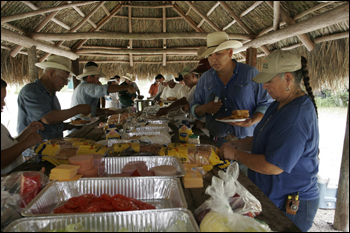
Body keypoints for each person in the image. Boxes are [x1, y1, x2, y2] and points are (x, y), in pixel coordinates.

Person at [219, 49, 320, 232]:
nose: (264, 86)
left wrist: (235, 154)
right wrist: (237, 144)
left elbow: (272, 166)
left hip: (289, 203)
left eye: (269, 81)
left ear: (288, 79)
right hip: (272, 195)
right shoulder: (278, 104)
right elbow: (263, 138)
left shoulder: (295, 116)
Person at [190, 31, 273, 148]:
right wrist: (204, 108)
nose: (213, 59)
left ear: (230, 53)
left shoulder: (250, 74)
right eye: (210, 55)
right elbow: (194, 107)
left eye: (218, 54)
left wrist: (252, 121)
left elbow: (266, 104)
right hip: (216, 142)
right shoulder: (205, 79)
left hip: (247, 143)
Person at [17, 55, 92, 140]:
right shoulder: (31, 92)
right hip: (35, 150)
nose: (66, 83)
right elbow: (48, 118)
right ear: (51, 73)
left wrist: (69, 125)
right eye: (64, 78)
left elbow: (50, 125)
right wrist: (78, 109)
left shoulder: (52, 94)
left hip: (52, 147)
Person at [1, 79, 44, 174]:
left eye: (3, 99)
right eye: (0, 99)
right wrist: (24, 143)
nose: (3, 104)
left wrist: (27, 132)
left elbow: (10, 145)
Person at [71, 67, 135, 119]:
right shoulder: (86, 86)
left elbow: (91, 110)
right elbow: (104, 89)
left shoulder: (83, 86)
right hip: (81, 125)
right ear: (89, 77)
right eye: (97, 78)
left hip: (85, 121)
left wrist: (104, 111)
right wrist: (127, 87)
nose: (98, 81)